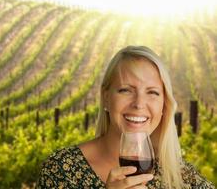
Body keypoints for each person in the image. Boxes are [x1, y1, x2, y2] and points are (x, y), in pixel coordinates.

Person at [36, 46, 215, 188]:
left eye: (152, 92)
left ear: (164, 106)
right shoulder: (62, 169)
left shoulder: (180, 176)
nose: (138, 103)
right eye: (126, 90)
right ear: (106, 97)